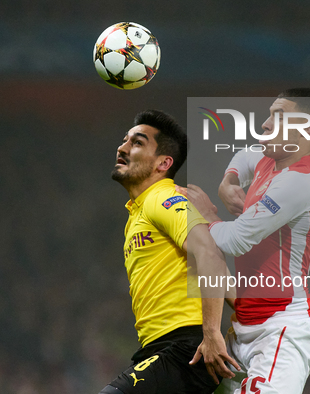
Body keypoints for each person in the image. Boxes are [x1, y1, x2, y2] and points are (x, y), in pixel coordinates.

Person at [183, 88, 310, 394]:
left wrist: (207, 215)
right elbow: (243, 156)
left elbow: (236, 240)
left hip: (281, 332)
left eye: (278, 116)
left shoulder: (299, 182)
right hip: (243, 326)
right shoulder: (270, 158)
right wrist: (229, 182)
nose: (265, 124)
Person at [99, 109, 240, 394]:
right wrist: (245, 311)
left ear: (164, 163)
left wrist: (212, 332)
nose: (122, 147)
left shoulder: (161, 199)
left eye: (137, 143)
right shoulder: (138, 213)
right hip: (162, 350)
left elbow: (210, 253)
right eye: (124, 140)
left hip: (183, 351)